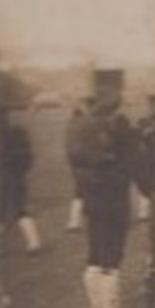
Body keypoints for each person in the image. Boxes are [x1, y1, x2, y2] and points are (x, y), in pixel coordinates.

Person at [66, 69, 147, 308]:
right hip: (112, 193)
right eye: (118, 90)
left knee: (95, 250)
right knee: (112, 252)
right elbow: (133, 159)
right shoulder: (115, 123)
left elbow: (76, 158)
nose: (120, 96)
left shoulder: (78, 122)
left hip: (91, 195)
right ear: (110, 92)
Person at [0, 106, 41, 254]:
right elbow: (27, 158)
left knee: (2, 213)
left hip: (5, 177)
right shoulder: (18, 134)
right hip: (16, 177)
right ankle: (33, 242)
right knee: (18, 209)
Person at [62, 97, 94, 232]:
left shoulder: (72, 122)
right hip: (85, 160)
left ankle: (75, 220)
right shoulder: (86, 123)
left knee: (81, 189)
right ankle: (75, 221)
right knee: (85, 188)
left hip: (76, 160)